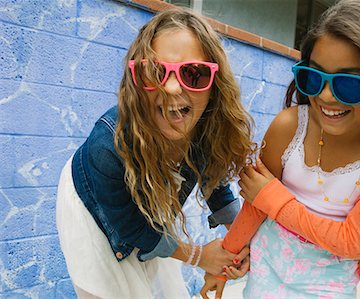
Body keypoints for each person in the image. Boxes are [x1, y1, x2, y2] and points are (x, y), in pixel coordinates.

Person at [201, 0, 360, 297]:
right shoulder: (288, 126)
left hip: (328, 287)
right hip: (265, 271)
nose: (326, 96)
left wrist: (274, 200)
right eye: (314, 77)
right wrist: (225, 260)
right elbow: (255, 207)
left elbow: (352, 242)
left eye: (348, 84)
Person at [56, 7, 254, 298]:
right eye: (155, 72)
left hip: (147, 204)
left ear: (216, 85)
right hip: (91, 205)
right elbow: (132, 228)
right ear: (137, 81)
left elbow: (217, 188)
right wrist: (200, 256)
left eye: (193, 74)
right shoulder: (107, 146)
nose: (172, 88)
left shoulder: (205, 128)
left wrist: (243, 242)